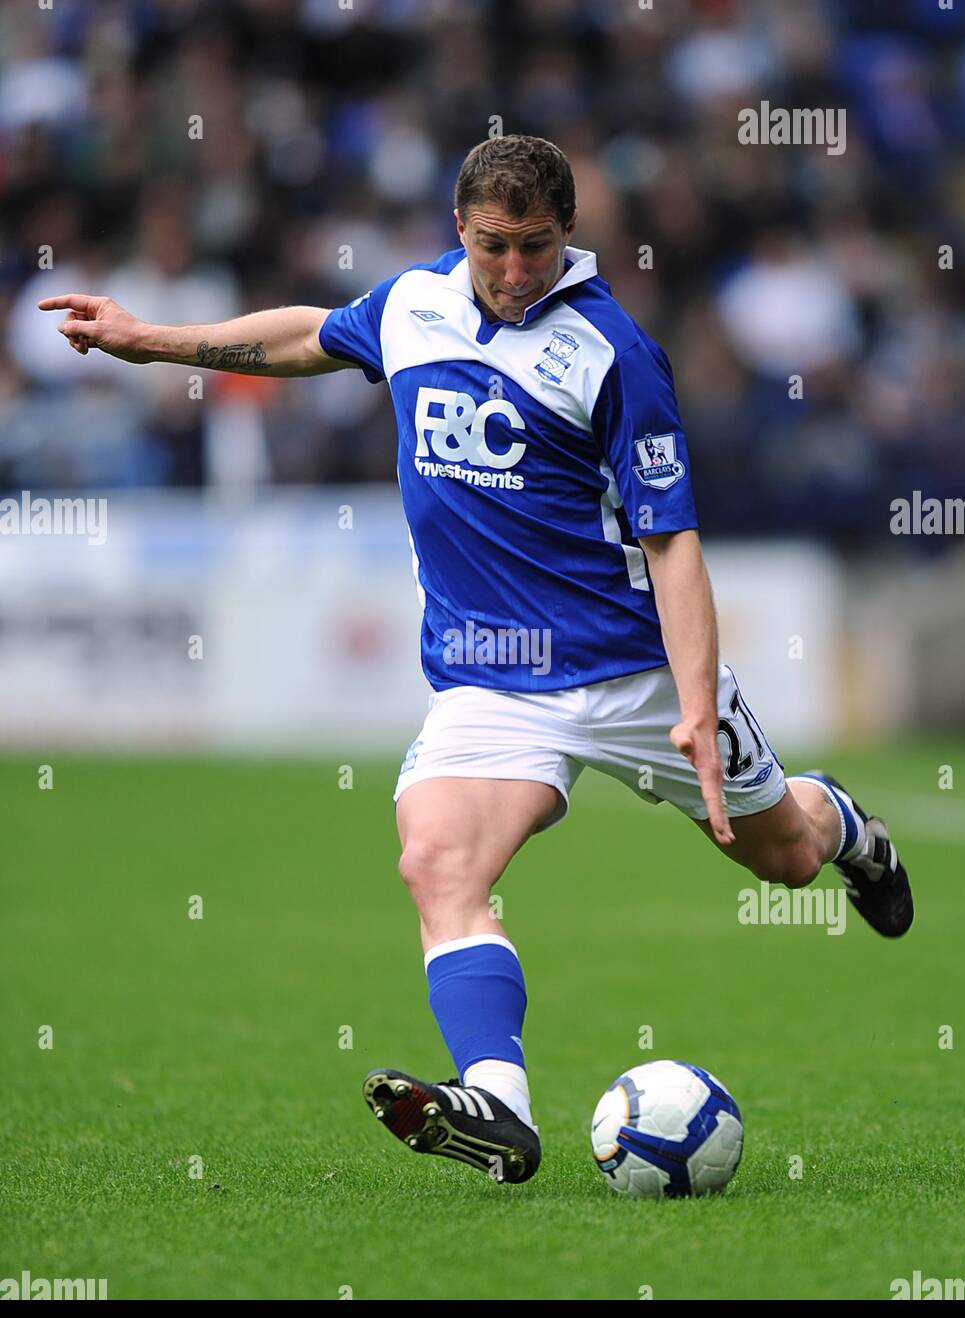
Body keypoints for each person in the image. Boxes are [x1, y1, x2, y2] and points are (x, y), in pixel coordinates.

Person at [39, 134, 913, 1187]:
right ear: (460, 229)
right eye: (494, 247)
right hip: (489, 679)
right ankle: (497, 1101)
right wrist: (153, 342)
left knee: (785, 857)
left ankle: (848, 826)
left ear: (568, 236)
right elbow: (309, 338)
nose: (511, 272)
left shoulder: (614, 353)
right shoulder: (412, 305)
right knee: (436, 862)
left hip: (630, 670)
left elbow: (672, 543)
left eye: (535, 248)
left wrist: (691, 704)